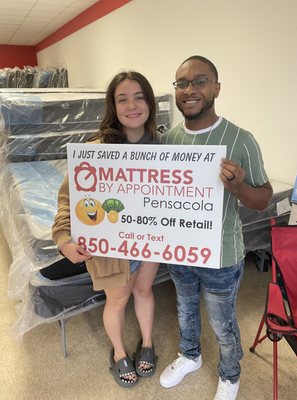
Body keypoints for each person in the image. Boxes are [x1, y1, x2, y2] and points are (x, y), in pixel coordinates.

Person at [159, 56, 273, 400]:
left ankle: (230, 372)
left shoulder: (241, 140)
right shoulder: (168, 140)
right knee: (185, 309)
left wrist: (238, 187)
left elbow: (264, 198)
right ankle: (190, 356)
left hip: (221, 255)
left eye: (200, 81)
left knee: (222, 323)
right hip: (180, 250)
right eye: (182, 83)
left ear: (216, 88)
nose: (189, 90)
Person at [52, 71, 160, 388]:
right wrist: (63, 241)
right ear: (113, 106)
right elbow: (66, 200)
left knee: (144, 290)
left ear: (150, 102)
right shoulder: (94, 151)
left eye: (139, 96)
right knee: (117, 301)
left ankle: (149, 344)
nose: (132, 105)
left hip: (150, 243)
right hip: (109, 248)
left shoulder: (163, 149)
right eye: (122, 99)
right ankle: (118, 354)